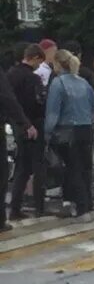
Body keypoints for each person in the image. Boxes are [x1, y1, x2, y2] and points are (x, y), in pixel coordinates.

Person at [45, 50, 94, 222]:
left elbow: (53, 112)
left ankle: (81, 209)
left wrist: (47, 133)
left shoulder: (58, 83)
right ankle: (88, 205)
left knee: (73, 169)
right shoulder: (83, 82)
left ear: (57, 64)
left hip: (67, 131)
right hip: (86, 129)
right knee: (85, 168)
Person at [7, 44, 48, 221]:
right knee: (38, 166)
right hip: (33, 126)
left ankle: (15, 208)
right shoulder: (33, 78)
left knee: (22, 168)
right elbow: (38, 103)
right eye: (40, 62)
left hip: (17, 125)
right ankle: (40, 206)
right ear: (36, 58)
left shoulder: (10, 74)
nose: (40, 66)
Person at [2, 50, 39, 231]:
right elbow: (8, 99)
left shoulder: (11, 73)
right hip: (21, 125)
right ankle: (4, 216)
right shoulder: (30, 77)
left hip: (11, 125)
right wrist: (26, 123)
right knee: (9, 171)